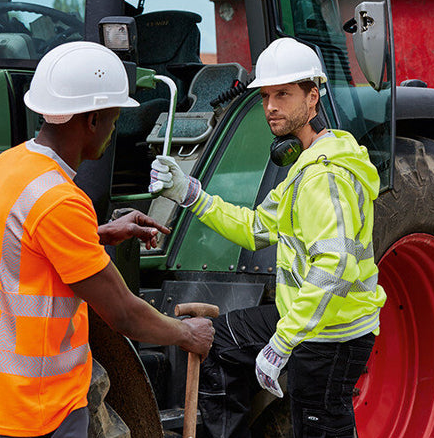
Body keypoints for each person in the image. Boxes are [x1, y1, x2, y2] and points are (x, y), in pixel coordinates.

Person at [0, 41, 214, 438]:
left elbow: (22, 250)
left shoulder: (4, 169)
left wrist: (97, 234)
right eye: (114, 121)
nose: (113, 131)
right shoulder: (60, 200)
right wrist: (188, 334)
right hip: (43, 413)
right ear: (93, 120)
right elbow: (123, 314)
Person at [149, 37, 387, 437]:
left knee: (321, 428)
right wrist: (190, 195)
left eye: (283, 94)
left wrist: (281, 342)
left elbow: (334, 267)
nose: (271, 106)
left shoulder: (324, 176)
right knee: (219, 342)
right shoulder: (304, 166)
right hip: (305, 318)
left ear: (313, 98)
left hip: (330, 333)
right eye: (265, 97)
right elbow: (255, 228)